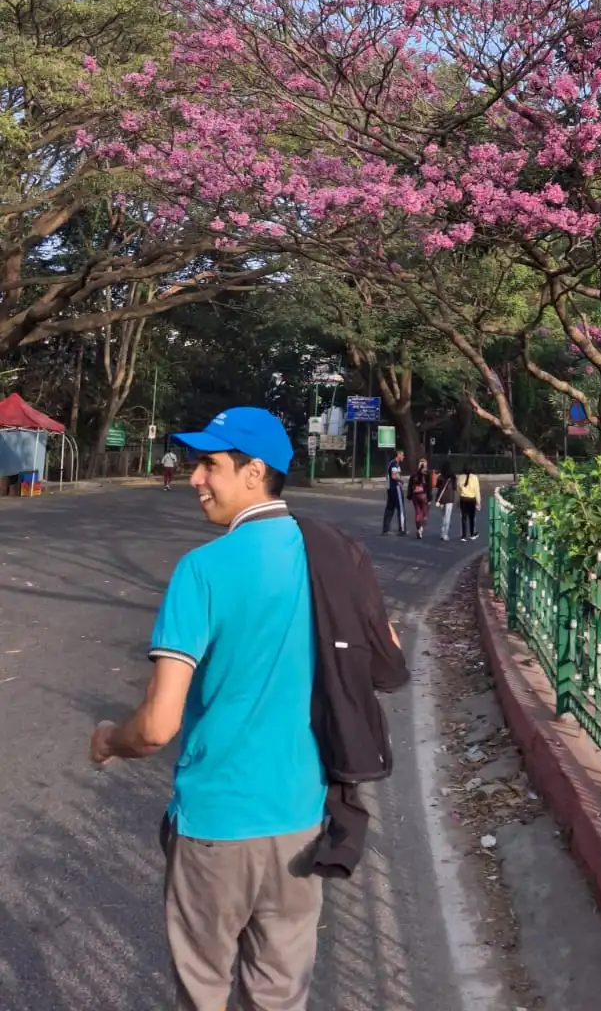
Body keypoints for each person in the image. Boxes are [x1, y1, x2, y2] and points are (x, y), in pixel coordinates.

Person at [89, 406, 327, 1011]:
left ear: (255, 472)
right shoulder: (330, 558)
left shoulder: (202, 570)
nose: (195, 478)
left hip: (217, 825)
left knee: (204, 992)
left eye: (209, 465)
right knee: (280, 996)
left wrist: (109, 739)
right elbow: (387, 659)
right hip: (302, 818)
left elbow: (157, 727)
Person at [382, 448, 406, 536]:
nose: (403, 457)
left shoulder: (391, 463)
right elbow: (394, 475)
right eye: (402, 455)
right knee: (401, 508)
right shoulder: (394, 464)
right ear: (398, 455)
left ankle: (385, 529)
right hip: (396, 488)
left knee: (390, 508)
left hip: (390, 488)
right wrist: (401, 480)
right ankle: (402, 529)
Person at [408, 461, 430, 540]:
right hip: (423, 495)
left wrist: (409, 496)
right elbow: (429, 487)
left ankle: (418, 528)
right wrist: (430, 498)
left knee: (417, 513)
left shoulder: (414, 475)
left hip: (415, 496)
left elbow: (410, 486)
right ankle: (421, 529)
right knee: (425, 514)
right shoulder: (426, 475)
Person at [435, 461, 457, 542]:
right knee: (447, 517)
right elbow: (455, 487)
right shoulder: (453, 477)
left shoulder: (440, 477)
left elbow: (437, 487)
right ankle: (445, 534)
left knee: (443, 516)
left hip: (441, 499)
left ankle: (442, 532)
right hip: (450, 498)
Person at [458, 468, 481, 540]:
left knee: (463, 518)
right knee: (472, 518)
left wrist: (460, 496)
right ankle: (472, 534)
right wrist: (478, 502)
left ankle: (463, 536)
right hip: (471, 499)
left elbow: (458, 489)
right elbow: (477, 491)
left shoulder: (460, 477)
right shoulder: (474, 478)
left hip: (463, 499)